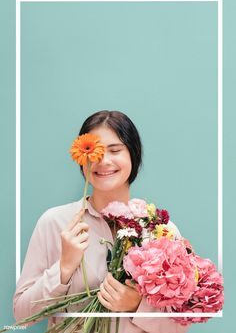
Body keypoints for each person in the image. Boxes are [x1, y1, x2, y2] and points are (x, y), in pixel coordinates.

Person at [14, 110, 189, 333]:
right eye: (93, 152)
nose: (103, 161)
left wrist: (137, 305)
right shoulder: (55, 222)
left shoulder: (161, 231)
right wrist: (64, 268)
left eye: (115, 150)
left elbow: (180, 325)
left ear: (133, 155)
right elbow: (21, 315)